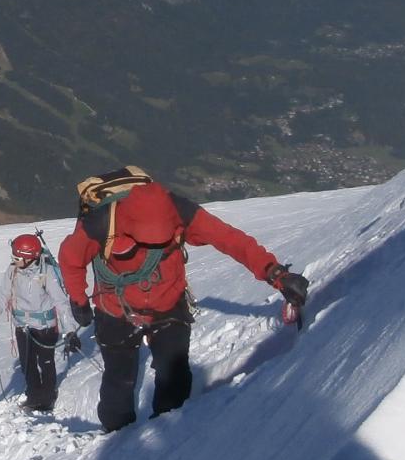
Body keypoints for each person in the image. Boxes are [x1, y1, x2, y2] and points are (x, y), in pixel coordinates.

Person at [58, 166, 309, 434]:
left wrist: (275, 273)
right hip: (116, 308)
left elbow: (229, 239)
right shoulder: (101, 222)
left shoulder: (178, 210)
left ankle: (169, 430)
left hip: (166, 301)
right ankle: (116, 437)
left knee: (174, 374)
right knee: (120, 380)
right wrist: (79, 300)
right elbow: (70, 259)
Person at [0, 234, 76, 413]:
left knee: (46, 361)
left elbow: (61, 302)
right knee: (27, 362)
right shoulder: (13, 270)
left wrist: (70, 331)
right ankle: (34, 394)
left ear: (29, 257)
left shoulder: (46, 273)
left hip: (45, 327)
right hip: (22, 326)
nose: (14, 260)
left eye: (17, 257)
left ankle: (47, 396)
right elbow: (3, 294)